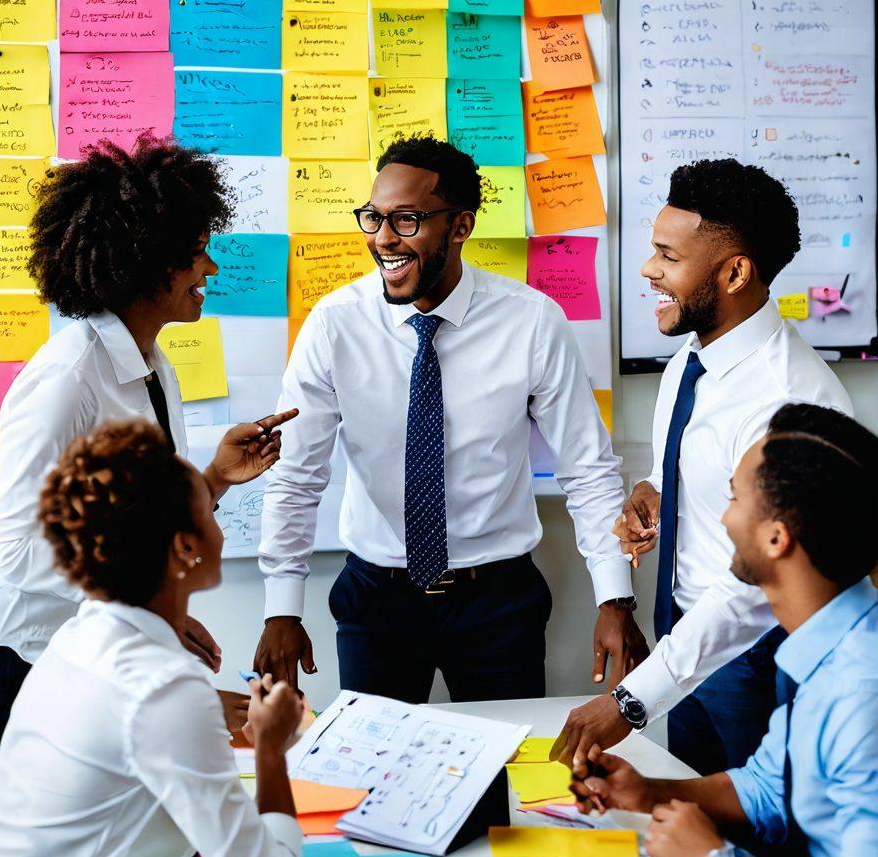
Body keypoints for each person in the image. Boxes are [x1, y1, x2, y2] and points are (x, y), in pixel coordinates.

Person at [256, 135, 646, 703]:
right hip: (376, 600)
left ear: (460, 227)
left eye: (407, 220)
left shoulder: (532, 322)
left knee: (499, 776)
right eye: (374, 218)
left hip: (498, 601)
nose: (382, 239)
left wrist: (615, 598)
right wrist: (280, 609)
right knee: (373, 779)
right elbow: (297, 474)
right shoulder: (335, 325)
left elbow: (587, 469)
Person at [0, 134, 295, 797]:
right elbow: (12, 554)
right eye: (194, 253)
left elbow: (129, 517)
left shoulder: (154, 366)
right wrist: (151, 605)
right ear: (145, 263)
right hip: (25, 662)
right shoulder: (68, 381)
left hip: (90, 654)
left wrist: (211, 479)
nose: (209, 268)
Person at [553, 159, 851, 774]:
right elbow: (693, 478)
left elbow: (757, 586)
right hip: (684, 641)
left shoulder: (789, 402)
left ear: (734, 271)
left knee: (760, 832)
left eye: (667, 255)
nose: (647, 269)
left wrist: (633, 701)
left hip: (753, 657)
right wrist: (655, 493)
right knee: (699, 830)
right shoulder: (693, 357)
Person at [0, 420, 304, 857]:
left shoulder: (83, 632)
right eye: (209, 506)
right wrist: (270, 749)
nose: (219, 519)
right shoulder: (162, 687)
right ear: (185, 547)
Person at [572, 402, 878, 857]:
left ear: (776, 539)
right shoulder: (828, 641)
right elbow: (765, 789)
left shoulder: (861, 693)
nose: (721, 520)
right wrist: (647, 792)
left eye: (734, 499)